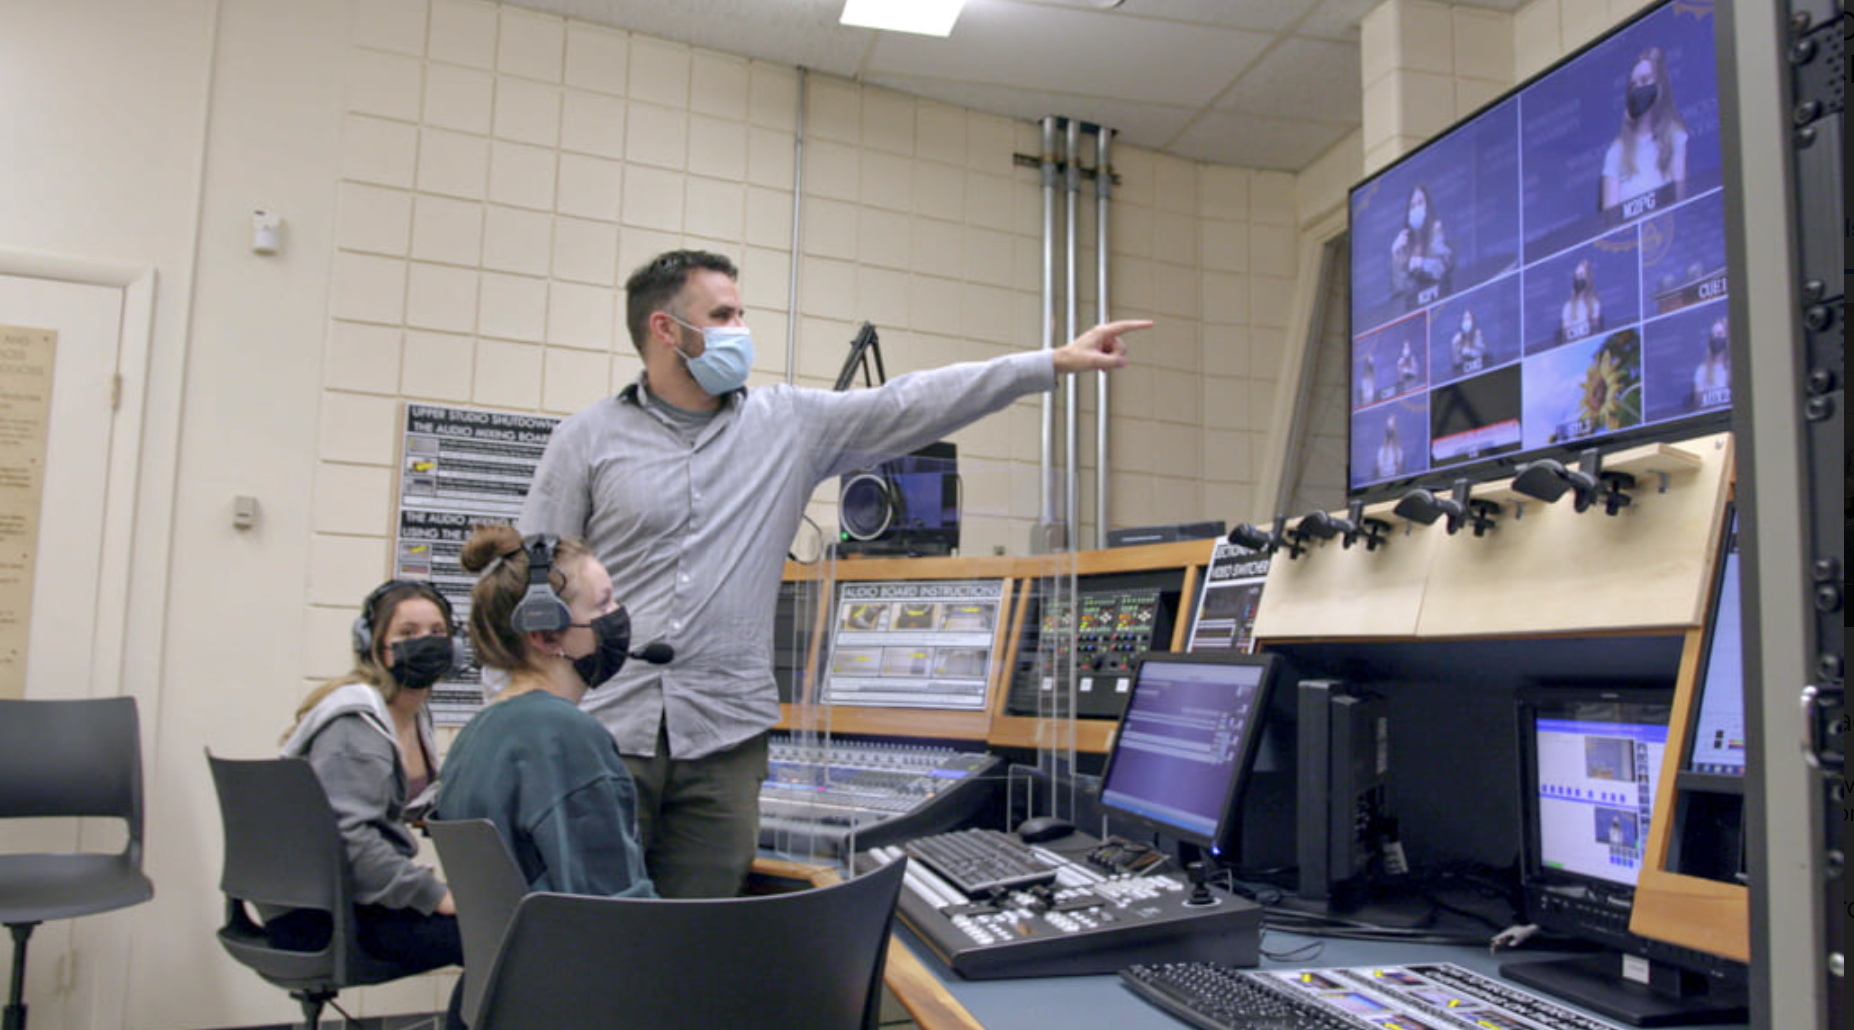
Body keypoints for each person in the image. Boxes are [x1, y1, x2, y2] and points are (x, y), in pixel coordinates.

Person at [519, 249, 1146, 898]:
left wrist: (1047, 364)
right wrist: (516, 722)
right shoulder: (586, 440)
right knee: (590, 929)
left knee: (694, 945)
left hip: (726, 738)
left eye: (741, 312)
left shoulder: (787, 425)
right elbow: (524, 593)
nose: (741, 327)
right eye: (723, 314)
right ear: (665, 329)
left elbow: (913, 401)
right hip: (604, 732)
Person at [278, 580, 464, 1027]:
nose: (426, 643)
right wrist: (435, 894)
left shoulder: (409, 713)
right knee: (503, 935)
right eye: (408, 632)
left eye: (438, 632)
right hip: (332, 914)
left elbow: (396, 804)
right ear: (374, 646)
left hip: (352, 899)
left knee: (495, 923)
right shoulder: (356, 727)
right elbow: (352, 842)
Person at [435, 525, 655, 900]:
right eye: (602, 604)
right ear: (545, 636)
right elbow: (613, 909)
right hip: (569, 955)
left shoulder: (478, 732)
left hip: (515, 956)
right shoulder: (563, 735)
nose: (617, 615)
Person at [1601, 46, 1689, 212]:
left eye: (1645, 80)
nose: (1639, 89)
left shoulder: (1675, 136)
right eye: (1633, 85)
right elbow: (1609, 225)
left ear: (1659, 85)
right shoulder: (1616, 151)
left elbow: (1680, 203)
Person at [1389, 184, 1454, 309]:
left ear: (1427, 206)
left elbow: (1442, 268)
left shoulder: (1436, 231)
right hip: (1413, 314)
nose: (1416, 209)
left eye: (1420, 203)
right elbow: (1398, 290)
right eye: (1412, 206)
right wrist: (1395, 256)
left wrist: (1421, 266)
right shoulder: (1404, 244)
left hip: (1440, 307)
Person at [1558, 260, 1603, 344]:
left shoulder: (1594, 304)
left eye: (1581, 275)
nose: (1579, 279)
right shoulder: (1568, 306)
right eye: (1577, 276)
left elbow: (1596, 329)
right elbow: (1565, 331)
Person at [1690, 316, 1730, 407]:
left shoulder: (1737, 366)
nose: (1716, 338)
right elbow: (1699, 402)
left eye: (1720, 334)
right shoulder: (1702, 370)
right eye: (1714, 335)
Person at [1450, 309, 1486, 374]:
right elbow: (1456, 362)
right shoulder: (1458, 338)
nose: (1466, 321)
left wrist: (1470, 352)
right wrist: (1455, 345)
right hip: (1464, 372)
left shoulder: (1477, 334)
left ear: (1472, 320)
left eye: (1468, 318)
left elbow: (1483, 352)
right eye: (1465, 319)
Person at [1375, 415, 1404, 480]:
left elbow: (1400, 469)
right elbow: (1379, 467)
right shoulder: (1381, 450)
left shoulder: (1399, 451)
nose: (1391, 437)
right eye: (1389, 432)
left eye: (1393, 432)